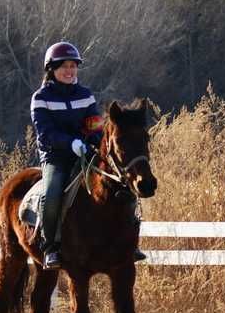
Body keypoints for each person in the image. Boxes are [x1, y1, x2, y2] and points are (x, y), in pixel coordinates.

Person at [30, 41, 146, 269]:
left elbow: (94, 126)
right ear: (51, 69)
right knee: (51, 193)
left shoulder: (85, 95)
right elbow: (45, 134)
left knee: (124, 186)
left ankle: (130, 244)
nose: (70, 71)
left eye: (73, 66)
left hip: (86, 153)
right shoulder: (41, 97)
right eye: (64, 66)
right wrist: (70, 142)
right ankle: (50, 246)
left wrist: (94, 142)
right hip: (56, 158)